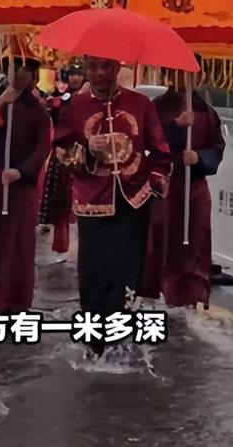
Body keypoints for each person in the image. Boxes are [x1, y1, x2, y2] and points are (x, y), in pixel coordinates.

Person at [54, 57, 172, 356]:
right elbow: (61, 152)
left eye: (104, 67)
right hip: (93, 200)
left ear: (116, 70)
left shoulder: (140, 105)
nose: (97, 74)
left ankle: (120, 342)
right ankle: (93, 342)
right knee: (94, 272)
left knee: (126, 271)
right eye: (92, 68)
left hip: (133, 200)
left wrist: (155, 181)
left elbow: (160, 152)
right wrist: (87, 152)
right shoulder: (76, 108)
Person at [0, 57, 52, 312]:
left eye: (24, 70)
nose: (18, 74)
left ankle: (11, 301)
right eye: (13, 69)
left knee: (16, 243)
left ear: (32, 75)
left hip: (19, 183)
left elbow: (43, 146)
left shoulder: (37, 109)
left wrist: (23, 171)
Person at [142, 80, 225, 309]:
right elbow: (148, 143)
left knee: (195, 243)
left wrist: (199, 158)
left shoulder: (205, 112)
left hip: (194, 188)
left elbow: (217, 148)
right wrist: (176, 130)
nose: (181, 78)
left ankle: (189, 298)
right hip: (165, 187)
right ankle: (156, 296)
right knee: (162, 242)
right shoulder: (156, 108)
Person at [39, 63, 85, 254]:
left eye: (78, 74)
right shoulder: (62, 98)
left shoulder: (87, 97)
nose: (75, 78)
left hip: (84, 153)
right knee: (61, 199)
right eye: (72, 74)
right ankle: (60, 242)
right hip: (64, 153)